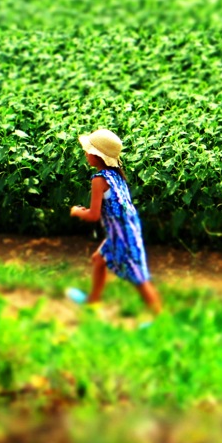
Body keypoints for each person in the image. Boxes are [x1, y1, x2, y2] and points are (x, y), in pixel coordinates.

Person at [66, 128, 162, 315]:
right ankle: (93, 301)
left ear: (97, 157)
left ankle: (159, 318)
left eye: (88, 151)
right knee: (98, 259)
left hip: (123, 234)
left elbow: (93, 216)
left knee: (139, 278)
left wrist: (78, 212)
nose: (86, 154)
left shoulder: (99, 180)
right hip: (124, 229)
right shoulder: (116, 175)